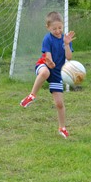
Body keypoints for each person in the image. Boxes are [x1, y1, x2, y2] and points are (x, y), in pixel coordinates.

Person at [20, 11, 75, 139]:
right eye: (54, 29)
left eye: (60, 28)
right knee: (45, 72)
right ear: (48, 27)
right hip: (44, 65)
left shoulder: (65, 39)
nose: (57, 31)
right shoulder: (47, 39)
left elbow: (69, 57)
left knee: (59, 103)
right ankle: (31, 96)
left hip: (57, 73)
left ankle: (62, 128)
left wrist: (67, 44)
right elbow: (48, 56)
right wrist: (49, 62)